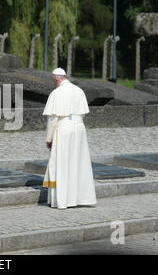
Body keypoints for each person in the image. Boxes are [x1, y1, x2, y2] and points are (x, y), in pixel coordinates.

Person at [42, 68, 97, 210]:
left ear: (58, 78)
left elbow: (53, 119)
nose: (53, 82)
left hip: (63, 129)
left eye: (53, 80)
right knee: (78, 163)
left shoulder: (56, 93)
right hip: (79, 128)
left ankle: (61, 200)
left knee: (61, 164)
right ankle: (78, 198)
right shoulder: (79, 91)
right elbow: (83, 113)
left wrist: (49, 139)